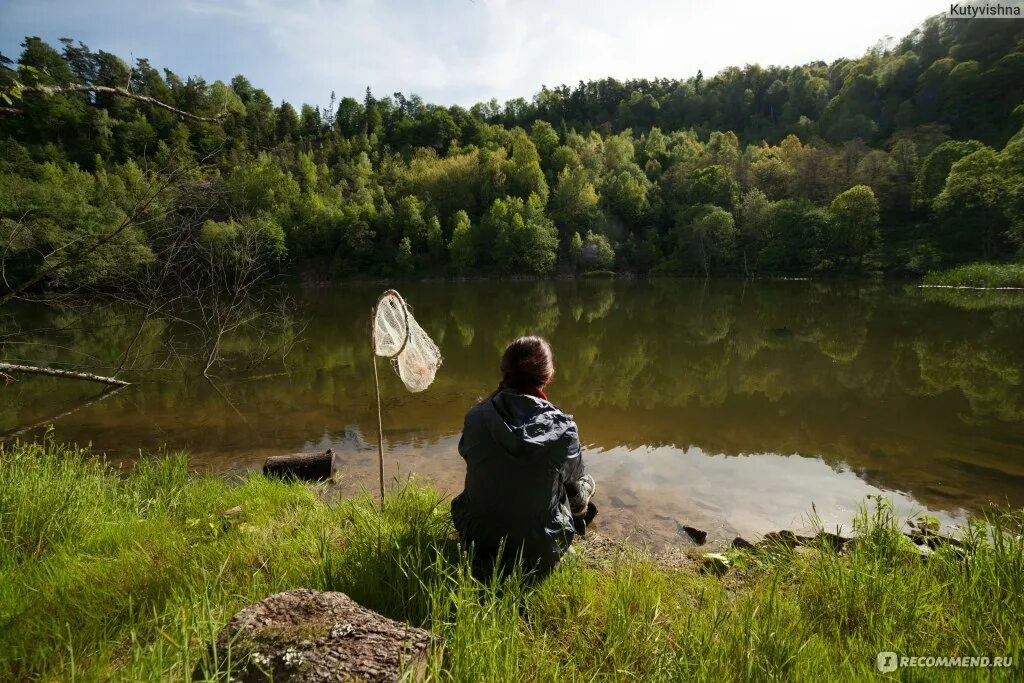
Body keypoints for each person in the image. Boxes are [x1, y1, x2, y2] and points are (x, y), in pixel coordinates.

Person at [451, 336, 596, 576]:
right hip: (538, 551)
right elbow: (572, 480)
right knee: (583, 484)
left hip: (476, 539)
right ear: (548, 376)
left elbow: (473, 458)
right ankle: (573, 530)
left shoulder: (476, 416)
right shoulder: (564, 428)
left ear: (505, 371)